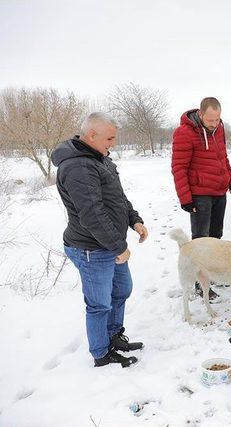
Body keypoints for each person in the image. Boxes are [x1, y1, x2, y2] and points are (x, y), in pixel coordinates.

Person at [52, 112, 148, 368]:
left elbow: (117, 198)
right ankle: (101, 353)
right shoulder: (77, 167)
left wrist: (134, 219)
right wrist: (119, 246)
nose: (113, 143)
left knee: (121, 290)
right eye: (110, 138)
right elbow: (92, 214)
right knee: (99, 304)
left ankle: (113, 337)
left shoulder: (99, 159)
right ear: (91, 135)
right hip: (90, 249)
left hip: (108, 244)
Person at [171, 97, 231, 298]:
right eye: (210, 121)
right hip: (199, 194)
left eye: (217, 120)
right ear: (200, 114)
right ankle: (201, 285)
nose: (214, 124)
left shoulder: (220, 129)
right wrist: (185, 198)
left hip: (219, 191)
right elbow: (178, 168)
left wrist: (230, 179)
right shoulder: (184, 133)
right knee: (200, 240)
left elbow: (222, 157)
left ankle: (213, 275)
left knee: (216, 236)